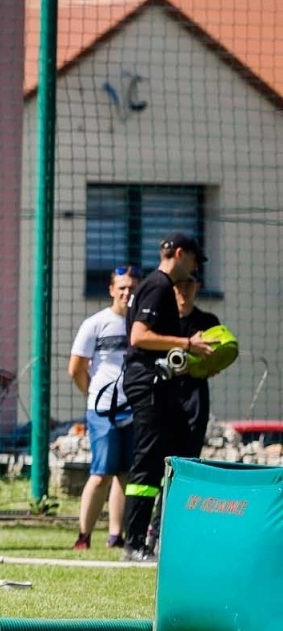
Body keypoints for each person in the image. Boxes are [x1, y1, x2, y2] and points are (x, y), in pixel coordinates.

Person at [120, 234, 213, 562]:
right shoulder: (159, 286)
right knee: (147, 462)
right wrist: (188, 343)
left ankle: (159, 538)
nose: (194, 269)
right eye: (193, 260)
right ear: (179, 253)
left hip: (159, 385)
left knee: (171, 457)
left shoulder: (154, 286)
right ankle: (133, 544)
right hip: (148, 384)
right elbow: (139, 336)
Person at [67, 265, 138, 550]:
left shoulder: (141, 325)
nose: (127, 292)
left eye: (132, 287)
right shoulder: (95, 324)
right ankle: (84, 536)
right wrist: (95, 396)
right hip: (102, 411)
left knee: (126, 473)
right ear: (111, 290)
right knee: (101, 474)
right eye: (121, 287)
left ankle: (115, 535)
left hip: (134, 409)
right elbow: (76, 369)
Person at [169, 273, 222, 460]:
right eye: (178, 284)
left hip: (195, 393)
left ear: (198, 286)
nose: (183, 290)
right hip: (165, 391)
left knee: (191, 451)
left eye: (189, 284)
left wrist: (207, 366)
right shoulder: (162, 322)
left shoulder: (208, 322)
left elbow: (217, 360)